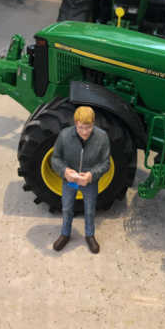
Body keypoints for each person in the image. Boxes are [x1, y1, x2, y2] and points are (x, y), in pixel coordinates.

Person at [50, 106, 110, 254]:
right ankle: (65, 234)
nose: (84, 132)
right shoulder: (64, 136)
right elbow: (55, 158)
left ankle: (90, 235)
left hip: (89, 183)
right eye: (81, 127)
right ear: (75, 123)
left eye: (88, 127)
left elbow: (105, 163)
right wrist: (65, 171)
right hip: (70, 181)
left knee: (89, 210)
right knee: (66, 208)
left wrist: (91, 175)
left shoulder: (102, 137)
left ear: (93, 123)